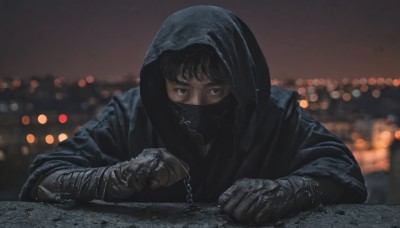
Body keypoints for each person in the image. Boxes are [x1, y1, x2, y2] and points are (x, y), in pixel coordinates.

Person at [20, 5, 367, 224]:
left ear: (240, 83)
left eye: (216, 90)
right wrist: (111, 179)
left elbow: (342, 169)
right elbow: (45, 176)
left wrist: (288, 191)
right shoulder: (129, 115)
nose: (198, 104)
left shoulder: (276, 114)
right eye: (182, 90)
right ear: (162, 85)